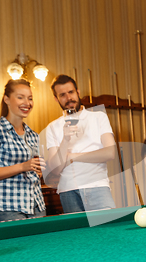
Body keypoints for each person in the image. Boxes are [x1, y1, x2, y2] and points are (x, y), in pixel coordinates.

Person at [0, 79, 46, 222]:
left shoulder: (33, 136)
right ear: (6, 99)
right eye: (20, 97)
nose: (27, 102)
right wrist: (22, 166)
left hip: (36, 204)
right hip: (8, 206)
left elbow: (35, 171)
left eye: (30, 98)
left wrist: (38, 172)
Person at [44, 74, 116, 213]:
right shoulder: (52, 127)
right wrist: (65, 140)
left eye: (71, 92)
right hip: (67, 190)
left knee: (107, 232)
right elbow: (55, 168)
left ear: (78, 92)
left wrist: (72, 157)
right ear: (56, 99)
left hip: (97, 186)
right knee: (77, 235)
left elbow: (110, 152)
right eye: (62, 95)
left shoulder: (98, 117)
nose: (68, 98)